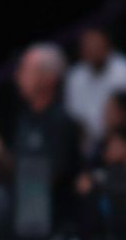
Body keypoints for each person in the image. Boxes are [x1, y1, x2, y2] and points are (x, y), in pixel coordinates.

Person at [11, 43, 80, 240]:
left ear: (50, 78)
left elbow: (53, 175)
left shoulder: (61, 122)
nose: (18, 77)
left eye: (26, 70)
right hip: (24, 221)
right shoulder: (24, 119)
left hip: (54, 225)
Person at [65, 27, 126, 155]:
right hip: (91, 144)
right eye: (87, 47)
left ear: (108, 46)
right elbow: (76, 119)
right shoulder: (75, 76)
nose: (92, 51)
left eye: (96, 46)